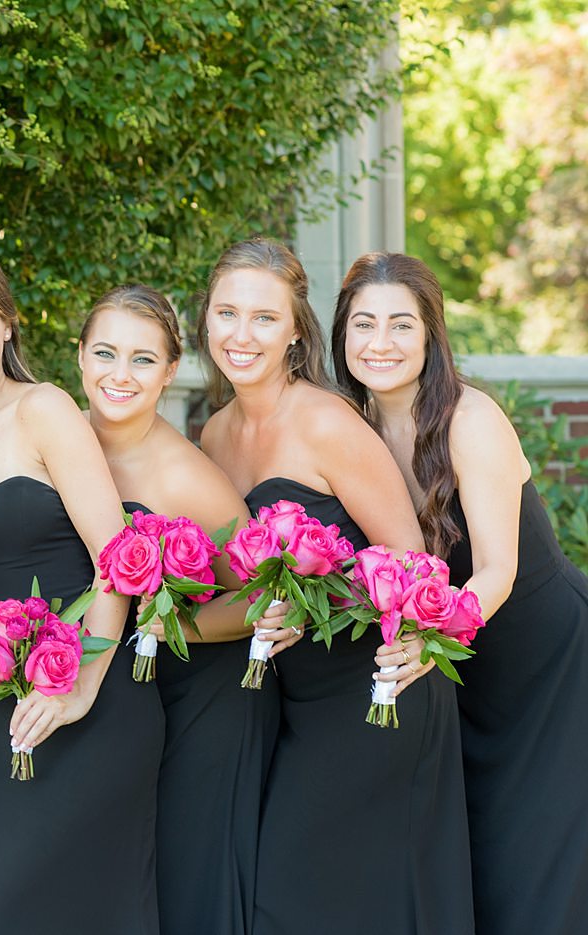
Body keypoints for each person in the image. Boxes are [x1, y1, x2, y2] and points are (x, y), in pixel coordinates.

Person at [198, 238, 473, 934]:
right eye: (226, 312)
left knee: (313, 899)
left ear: (296, 328)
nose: (241, 333)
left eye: (264, 316)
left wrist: (311, 598)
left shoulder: (326, 421)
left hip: (376, 689)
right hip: (292, 701)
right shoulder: (213, 436)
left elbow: (411, 562)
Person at [333, 251, 588, 935]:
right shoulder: (350, 428)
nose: (379, 343)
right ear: (342, 336)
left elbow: (498, 570)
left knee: (541, 878)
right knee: (478, 869)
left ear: (430, 335)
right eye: (363, 324)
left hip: (550, 667)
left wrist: (428, 642)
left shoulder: (470, 420)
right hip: (464, 673)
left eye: (400, 325)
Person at [0, 245, 162, 934]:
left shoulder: (44, 410)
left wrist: (80, 683)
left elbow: (118, 557)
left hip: (93, 704)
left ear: (8, 326)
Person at [78, 284, 272, 935]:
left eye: (141, 359)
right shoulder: (61, 442)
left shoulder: (185, 476)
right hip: (111, 695)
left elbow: (264, 593)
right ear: (78, 357)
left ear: (169, 370)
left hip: (200, 701)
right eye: (105, 352)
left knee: (184, 883)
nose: (119, 374)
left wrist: (173, 623)